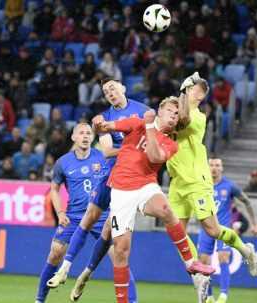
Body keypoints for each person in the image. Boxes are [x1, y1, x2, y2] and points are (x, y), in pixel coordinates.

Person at [76, 97, 215, 303]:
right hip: (121, 191)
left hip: (145, 186)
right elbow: (108, 126)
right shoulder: (137, 122)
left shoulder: (170, 144)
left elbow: (154, 156)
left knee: (166, 209)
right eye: (170, 111)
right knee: (121, 251)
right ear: (160, 110)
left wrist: (150, 125)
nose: (173, 116)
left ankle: (190, 263)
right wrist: (99, 123)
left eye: (177, 115)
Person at [47, 78, 148, 302]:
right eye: (105, 91)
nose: (110, 92)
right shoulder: (103, 119)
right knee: (89, 218)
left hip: (132, 182)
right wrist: (134, 149)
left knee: (119, 251)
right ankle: (65, 269)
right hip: (111, 177)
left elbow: (157, 138)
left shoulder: (144, 112)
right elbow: (107, 151)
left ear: (122, 88)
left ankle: (88, 274)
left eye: (112, 88)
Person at [167, 72, 257, 302]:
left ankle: (245, 250)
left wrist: (181, 92)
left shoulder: (198, 116)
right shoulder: (175, 108)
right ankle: (198, 272)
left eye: (197, 89)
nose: (195, 91)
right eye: (193, 88)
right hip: (177, 182)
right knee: (176, 231)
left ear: (199, 94)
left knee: (213, 230)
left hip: (197, 181)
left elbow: (180, 120)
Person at [34, 123, 108, 303]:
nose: (85, 136)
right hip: (74, 215)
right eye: (81, 133)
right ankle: (39, 299)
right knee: (55, 253)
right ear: (74, 137)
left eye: (88, 133)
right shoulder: (63, 162)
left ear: (93, 137)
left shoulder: (104, 157)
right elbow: (54, 189)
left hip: (100, 215)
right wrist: (60, 213)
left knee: (119, 253)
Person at [198, 158, 257, 303]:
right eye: (211, 165)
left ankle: (223, 295)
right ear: (207, 167)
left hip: (223, 228)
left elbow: (246, 201)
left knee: (223, 258)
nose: (214, 168)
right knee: (204, 262)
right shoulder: (201, 185)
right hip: (206, 228)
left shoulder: (229, 186)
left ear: (222, 168)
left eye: (217, 165)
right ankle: (209, 297)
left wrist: (254, 223)